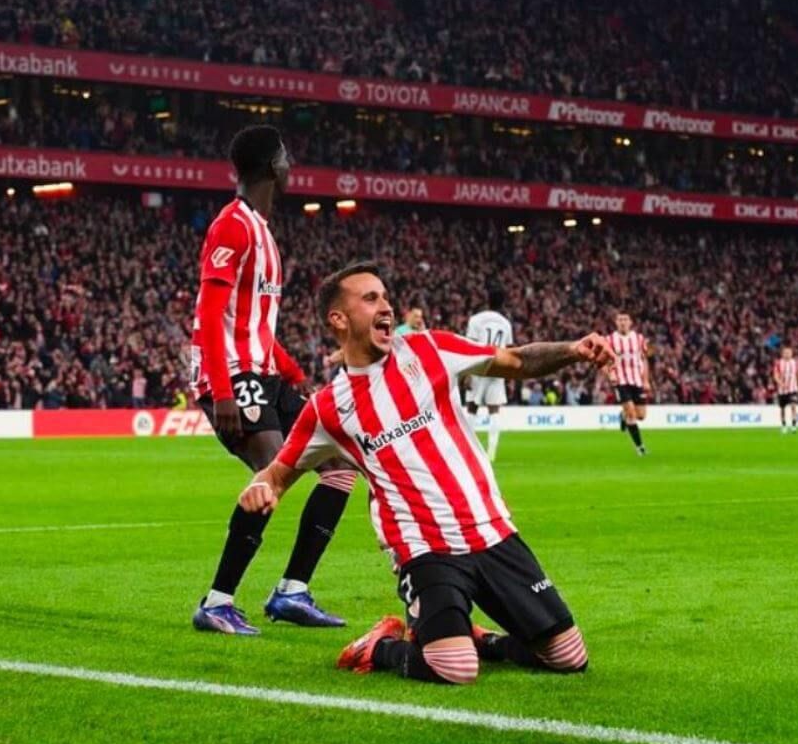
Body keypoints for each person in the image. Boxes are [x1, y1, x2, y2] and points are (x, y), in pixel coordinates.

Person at [237, 262, 615, 684]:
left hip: (491, 531)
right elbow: (276, 474)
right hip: (425, 548)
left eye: (385, 296)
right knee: (454, 669)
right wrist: (260, 489)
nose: (386, 306)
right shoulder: (327, 409)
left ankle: (478, 639)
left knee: (568, 657)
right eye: (370, 298)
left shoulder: (430, 349)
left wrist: (573, 350)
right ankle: (379, 647)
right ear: (338, 320)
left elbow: (517, 361)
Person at [189, 125, 356, 635]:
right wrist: (221, 391)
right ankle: (216, 602)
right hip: (233, 377)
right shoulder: (232, 226)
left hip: (264, 373)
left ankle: (292, 592)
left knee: (341, 467)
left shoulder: (263, 231)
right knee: (271, 471)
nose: (291, 164)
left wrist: (294, 374)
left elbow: (254, 324)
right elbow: (211, 313)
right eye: (285, 155)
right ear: (269, 167)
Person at [465, 286, 513, 461]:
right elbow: (508, 349)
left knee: (472, 407)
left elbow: (469, 345)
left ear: (488, 300)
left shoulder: (476, 319)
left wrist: (467, 372)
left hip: (478, 364)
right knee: (495, 410)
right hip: (498, 365)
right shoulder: (506, 323)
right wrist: (509, 374)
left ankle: (469, 449)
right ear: (503, 303)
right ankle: (491, 452)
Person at [608, 312, 650, 455]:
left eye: (625, 319)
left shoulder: (639, 339)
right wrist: (610, 373)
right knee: (631, 414)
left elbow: (644, 359)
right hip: (620, 380)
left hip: (637, 380)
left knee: (641, 416)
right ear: (616, 322)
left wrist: (646, 380)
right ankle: (640, 447)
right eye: (620, 319)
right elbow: (604, 361)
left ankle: (622, 415)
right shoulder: (610, 340)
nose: (623, 322)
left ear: (630, 322)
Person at [772, 346, 798, 434]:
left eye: (789, 353)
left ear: (792, 354)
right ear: (782, 354)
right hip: (782, 390)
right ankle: (784, 425)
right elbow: (775, 375)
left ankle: (794, 425)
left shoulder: (795, 363)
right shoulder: (778, 363)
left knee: (793, 406)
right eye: (785, 353)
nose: (787, 354)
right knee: (782, 409)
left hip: (793, 389)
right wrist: (780, 383)